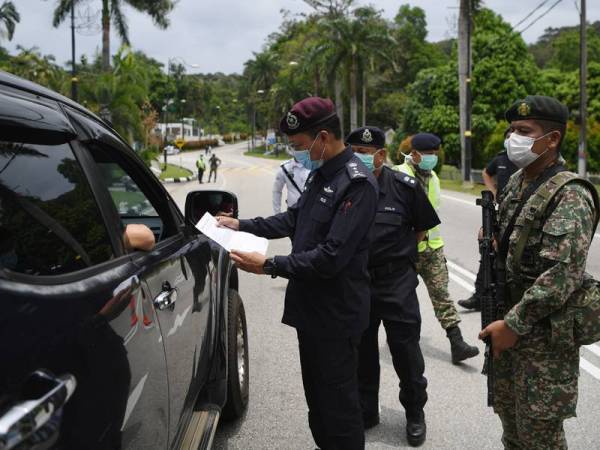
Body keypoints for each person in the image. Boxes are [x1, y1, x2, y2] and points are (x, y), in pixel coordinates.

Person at [216, 97, 378, 450]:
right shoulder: (321, 174)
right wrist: (240, 224)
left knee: (339, 409)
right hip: (311, 311)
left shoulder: (357, 183)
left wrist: (271, 265)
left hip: (336, 315)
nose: (296, 153)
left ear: (322, 137)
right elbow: (293, 219)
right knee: (318, 404)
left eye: (299, 146)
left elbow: (332, 257)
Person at [479, 95, 597, 449]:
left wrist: (513, 325)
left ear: (552, 139)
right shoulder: (516, 183)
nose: (513, 137)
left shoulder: (570, 194)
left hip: (541, 338)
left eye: (524, 131)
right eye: (512, 129)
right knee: (512, 431)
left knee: (540, 438)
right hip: (507, 326)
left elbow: (560, 278)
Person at [348, 126, 440, 447]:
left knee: (405, 350)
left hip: (396, 283)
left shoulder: (405, 186)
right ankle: (366, 411)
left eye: (364, 150)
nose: (357, 157)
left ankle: (415, 412)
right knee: (361, 352)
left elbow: (421, 230)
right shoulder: (345, 187)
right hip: (358, 283)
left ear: (381, 155)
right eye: (353, 150)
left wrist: (396, 258)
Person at [393, 133, 479, 364]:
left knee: (442, 295)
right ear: (414, 154)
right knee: (403, 299)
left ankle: (457, 343)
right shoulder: (398, 175)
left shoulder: (434, 178)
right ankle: (404, 341)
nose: (432, 158)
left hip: (432, 249)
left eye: (434, 154)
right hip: (406, 250)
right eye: (428, 154)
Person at [459, 128, 518, 311]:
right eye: (508, 137)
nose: (511, 140)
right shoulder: (500, 159)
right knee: (487, 249)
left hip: (522, 214)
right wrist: (492, 192)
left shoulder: (526, 161)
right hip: (501, 211)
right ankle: (479, 295)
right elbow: (486, 172)